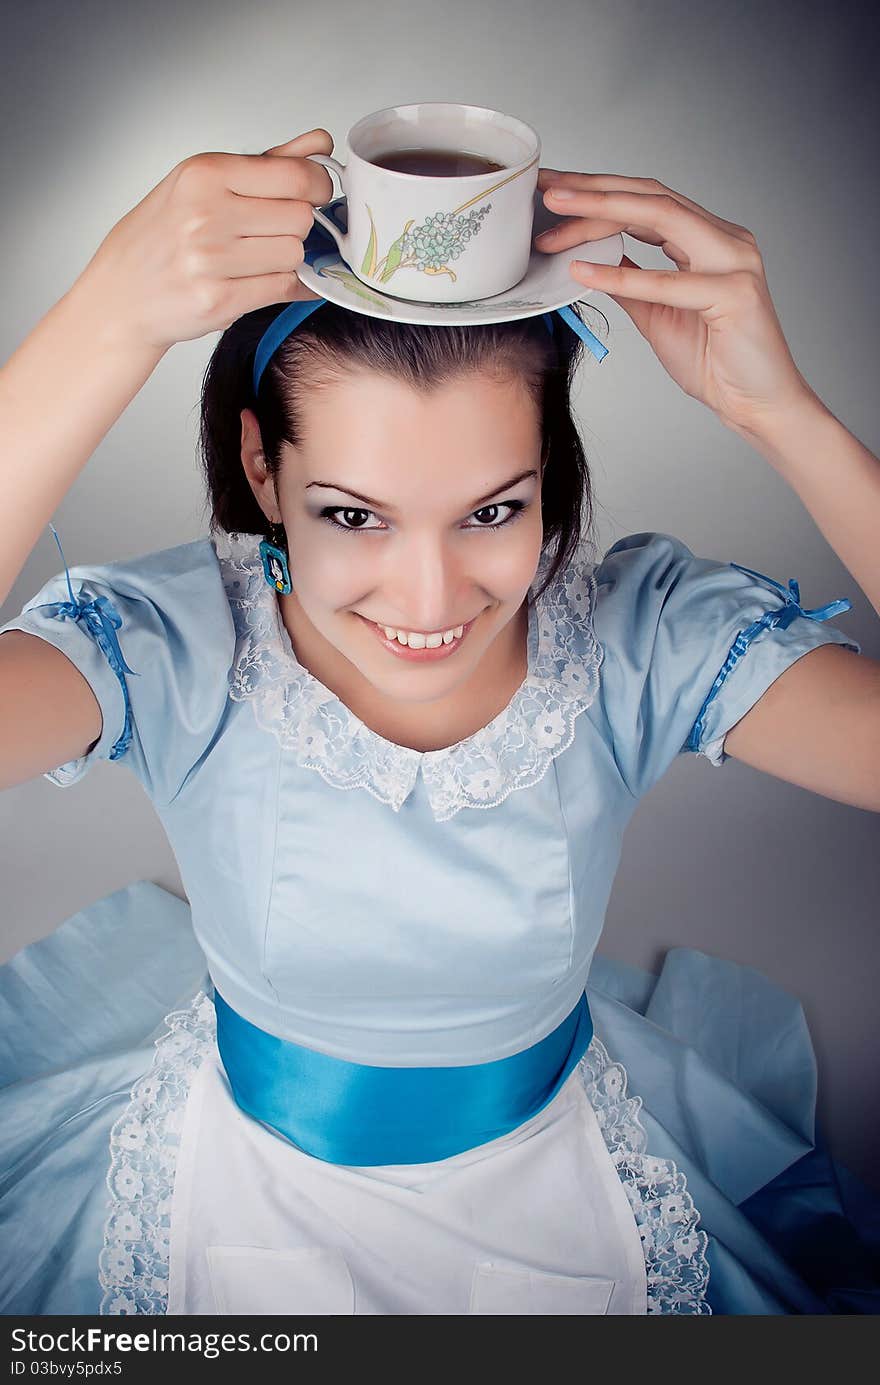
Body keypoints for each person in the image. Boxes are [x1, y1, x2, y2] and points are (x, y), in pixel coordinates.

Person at [1, 127, 878, 1318]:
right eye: (354, 516)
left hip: (561, 1199)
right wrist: (102, 321)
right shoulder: (172, 643)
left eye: (493, 511)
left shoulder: (637, 639)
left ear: (548, 477)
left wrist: (788, 418)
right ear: (261, 470)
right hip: (236, 1194)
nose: (428, 601)